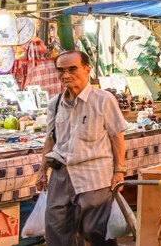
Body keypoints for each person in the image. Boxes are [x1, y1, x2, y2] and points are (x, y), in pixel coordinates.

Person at [41, 50, 127, 246]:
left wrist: (119, 171)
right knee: (56, 230)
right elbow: (50, 140)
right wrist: (41, 171)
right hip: (61, 175)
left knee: (97, 232)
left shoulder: (103, 100)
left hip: (94, 176)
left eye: (72, 69)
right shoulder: (55, 104)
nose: (66, 75)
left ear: (87, 69)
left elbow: (117, 138)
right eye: (61, 70)